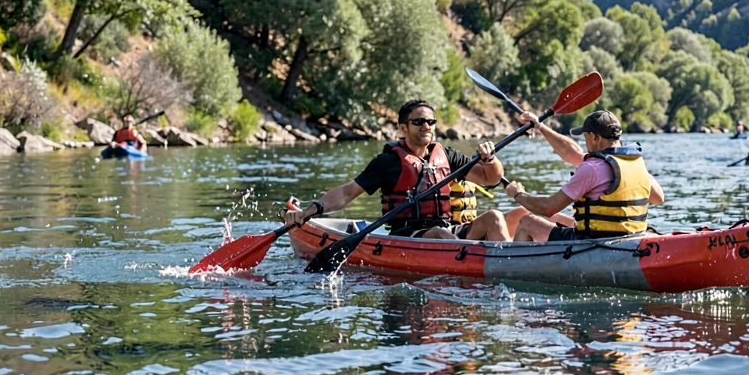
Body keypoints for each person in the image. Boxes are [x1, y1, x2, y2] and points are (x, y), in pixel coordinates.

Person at [283, 99, 513, 240]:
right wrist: (310, 211)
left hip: (447, 231)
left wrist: (490, 159)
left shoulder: (447, 155)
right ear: (403, 128)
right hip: (409, 235)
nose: (426, 126)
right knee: (440, 235)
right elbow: (347, 193)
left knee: (493, 217)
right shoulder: (388, 162)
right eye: (418, 122)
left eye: (431, 122)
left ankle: (506, 264)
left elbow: (490, 178)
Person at [505, 110, 664, 242]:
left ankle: (512, 270)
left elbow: (547, 207)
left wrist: (517, 194)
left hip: (596, 242)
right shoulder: (635, 163)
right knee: (558, 219)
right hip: (631, 238)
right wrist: (540, 127)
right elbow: (658, 197)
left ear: (596, 137)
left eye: (585, 136)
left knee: (528, 222)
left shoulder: (591, 168)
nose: (584, 142)